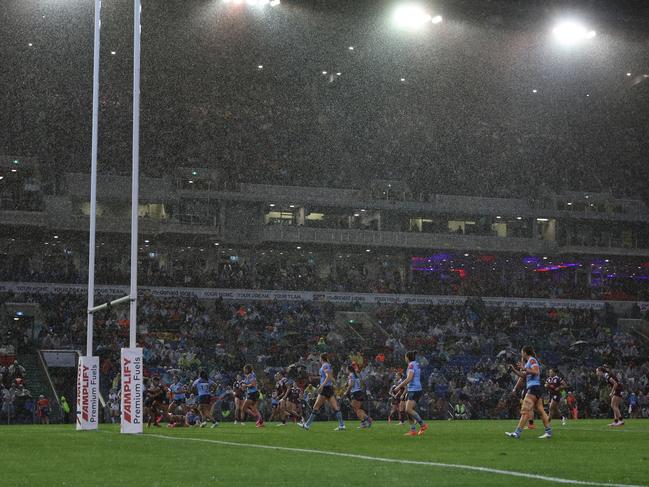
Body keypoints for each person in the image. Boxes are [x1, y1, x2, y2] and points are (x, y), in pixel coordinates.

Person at [506, 346, 552, 439]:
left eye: (522, 352)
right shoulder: (529, 362)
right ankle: (548, 432)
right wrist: (514, 370)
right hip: (536, 388)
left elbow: (536, 371)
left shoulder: (532, 360)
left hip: (533, 388)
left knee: (525, 410)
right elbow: (523, 376)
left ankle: (517, 433)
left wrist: (524, 368)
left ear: (525, 352)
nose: (521, 354)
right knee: (541, 410)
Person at [299, 353, 345, 431]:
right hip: (329, 388)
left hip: (325, 389)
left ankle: (307, 425)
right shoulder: (328, 365)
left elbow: (328, 376)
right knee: (335, 407)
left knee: (315, 407)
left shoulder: (324, 365)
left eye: (319, 359)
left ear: (321, 359)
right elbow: (329, 377)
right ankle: (342, 425)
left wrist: (322, 385)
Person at [394, 351, 428, 436]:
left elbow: (409, 378)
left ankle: (423, 425)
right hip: (415, 389)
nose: (404, 358)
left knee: (408, 409)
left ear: (407, 358)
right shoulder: (416, 363)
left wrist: (399, 387)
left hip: (414, 389)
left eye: (405, 357)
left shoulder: (411, 365)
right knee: (408, 410)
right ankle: (413, 430)